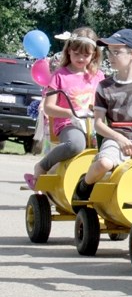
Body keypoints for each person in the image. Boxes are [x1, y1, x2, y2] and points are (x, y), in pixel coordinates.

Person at [75, 29, 132, 199]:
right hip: (115, 140)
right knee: (104, 163)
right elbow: (99, 124)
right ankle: (84, 186)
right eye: (109, 52)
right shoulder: (104, 86)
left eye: (116, 52)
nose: (110, 57)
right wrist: (120, 139)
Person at [24, 28, 104, 189]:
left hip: (94, 124)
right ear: (68, 51)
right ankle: (42, 166)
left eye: (86, 55)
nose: (81, 58)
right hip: (68, 124)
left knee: (108, 147)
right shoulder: (60, 75)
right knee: (76, 144)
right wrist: (71, 113)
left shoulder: (99, 76)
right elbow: (49, 107)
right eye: (76, 54)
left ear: (94, 54)